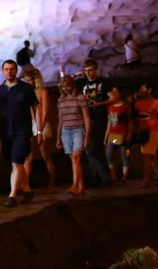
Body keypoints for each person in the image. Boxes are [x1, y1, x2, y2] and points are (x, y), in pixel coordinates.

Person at [0, 59, 41, 208]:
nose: (9, 71)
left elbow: (36, 108)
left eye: (12, 69)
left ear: (16, 70)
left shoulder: (26, 88)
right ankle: (27, 190)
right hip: (6, 132)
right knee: (13, 162)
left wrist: (39, 130)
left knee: (16, 162)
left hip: (22, 130)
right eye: (6, 69)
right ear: (2, 71)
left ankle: (12, 195)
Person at [77, 59, 112, 188]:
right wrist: (76, 75)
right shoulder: (81, 82)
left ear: (96, 69)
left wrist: (100, 104)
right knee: (89, 150)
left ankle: (105, 178)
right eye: (86, 71)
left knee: (96, 148)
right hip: (86, 118)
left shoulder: (103, 82)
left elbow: (114, 98)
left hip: (99, 118)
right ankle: (96, 177)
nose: (88, 73)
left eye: (91, 70)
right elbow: (63, 83)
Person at [22, 67, 57, 192]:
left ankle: (52, 184)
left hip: (42, 123)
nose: (28, 83)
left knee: (45, 155)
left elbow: (45, 112)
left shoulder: (43, 91)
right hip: (30, 123)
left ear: (35, 80)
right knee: (28, 156)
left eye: (30, 80)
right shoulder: (26, 93)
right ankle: (24, 185)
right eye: (26, 80)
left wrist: (40, 129)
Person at [56, 75, 90, 195]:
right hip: (66, 131)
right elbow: (60, 119)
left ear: (73, 86)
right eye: (63, 87)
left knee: (76, 158)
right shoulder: (61, 100)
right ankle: (81, 186)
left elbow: (86, 117)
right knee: (74, 160)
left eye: (68, 86)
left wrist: (87, 136)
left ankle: (74, 186)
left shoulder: (80, 98)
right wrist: (58, 138)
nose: (66, 89)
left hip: (78, 130)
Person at [104, 86, 131, 184]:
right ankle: (113, 176)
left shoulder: (125, 106)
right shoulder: (110, 106)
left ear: (120, 93)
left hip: (123, 133)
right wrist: (106, 137)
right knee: (108, 154)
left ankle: (124, 177)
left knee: (125, 155)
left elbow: (130, 120)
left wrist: (129, 133)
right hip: (113, 134)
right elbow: (109, 122)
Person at [133, 83, 158, 187]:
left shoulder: (156, 102)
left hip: (153, 130)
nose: (141, 91)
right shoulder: (138, 103)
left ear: (149, 90)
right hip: (143, 132)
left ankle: (145, 179)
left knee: (147, 155)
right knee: (151, 157)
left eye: (142, 89)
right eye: (140, 89)